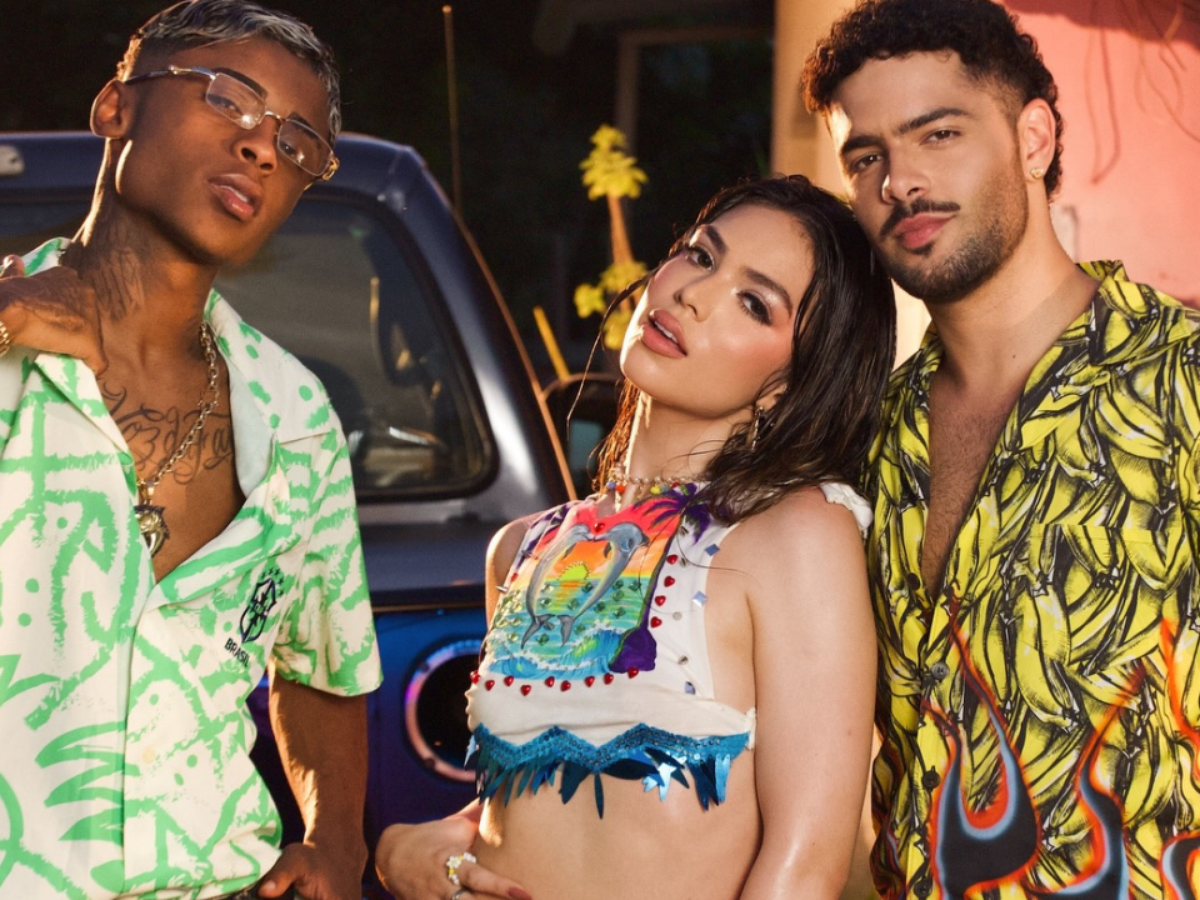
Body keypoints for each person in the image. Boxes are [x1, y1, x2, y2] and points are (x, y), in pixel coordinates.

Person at [374, 175, 896, 900]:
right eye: (701, 255)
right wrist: (417, 850)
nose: (693, 293)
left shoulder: (797, 535)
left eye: (754, 302)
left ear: (792, 383)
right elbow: (536, 806)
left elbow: (804, 867)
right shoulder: (522, 549)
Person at [801, 0, 1200, 896]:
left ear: (1033, 138)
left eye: (938, 134)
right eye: (866, 158)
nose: (900, 181)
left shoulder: (1184, 383)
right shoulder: (868, 439)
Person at [0, 2, 380, 898]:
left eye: (296, 144)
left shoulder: (296, 414)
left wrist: (336, 843)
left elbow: (322, 663)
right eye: (228, 98)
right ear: (116, 107)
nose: (261, 147)